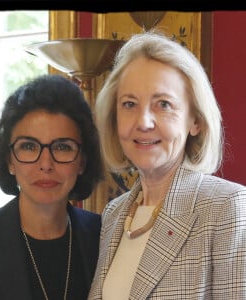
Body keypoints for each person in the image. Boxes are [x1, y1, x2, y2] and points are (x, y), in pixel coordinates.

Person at [88, 30, 246, 299]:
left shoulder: (227, 207)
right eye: (129, 104)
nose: (144, 122)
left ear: (195, 121)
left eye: (163, 104)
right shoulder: (114, 215)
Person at [0, 74, 104, 300]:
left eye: (62, 147)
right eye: (29, 146)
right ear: (9, 160)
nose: (46, 164)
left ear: (82, 162)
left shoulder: (105, 238)